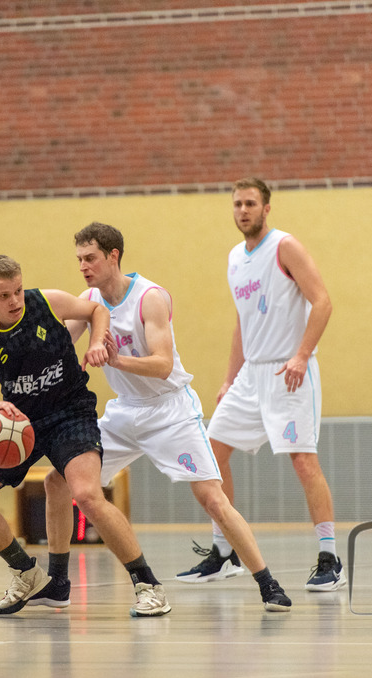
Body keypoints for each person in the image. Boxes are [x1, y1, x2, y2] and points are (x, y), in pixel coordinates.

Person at [40, 222, 292, 612]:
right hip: (125, 411)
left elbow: (161, 365)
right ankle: (58, 582)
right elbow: (58, 347)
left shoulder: (149, 297)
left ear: (113, 256)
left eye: (90, 258)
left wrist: (115, 358)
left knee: (213, 499)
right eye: (78, 260)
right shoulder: (88, 299)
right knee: (57, 481)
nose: (83, 266)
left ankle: (268, 583)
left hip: (170, 410)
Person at [0, 255, 170, 617]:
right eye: (4, 296)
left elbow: (96, 311)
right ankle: (26, 572)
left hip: (70, 411)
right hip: (20, 422)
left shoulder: (46, 302)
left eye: (18, 290)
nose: (15, 301)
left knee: (86, 494)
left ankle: (148, 584)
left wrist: (97, 341)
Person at [177, 177, 344, 592]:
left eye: (250, 203)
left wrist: (302, 355)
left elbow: (322, 300)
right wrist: (229, 378)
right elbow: (243, 321)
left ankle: (330, 557)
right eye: (236, 204)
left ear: (266, 208)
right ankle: (224, 552)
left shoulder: (285, 247)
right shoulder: (235, 257)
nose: (242, 211)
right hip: (250, 376)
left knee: (303, 461)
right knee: (210, 453)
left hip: (289, 373)